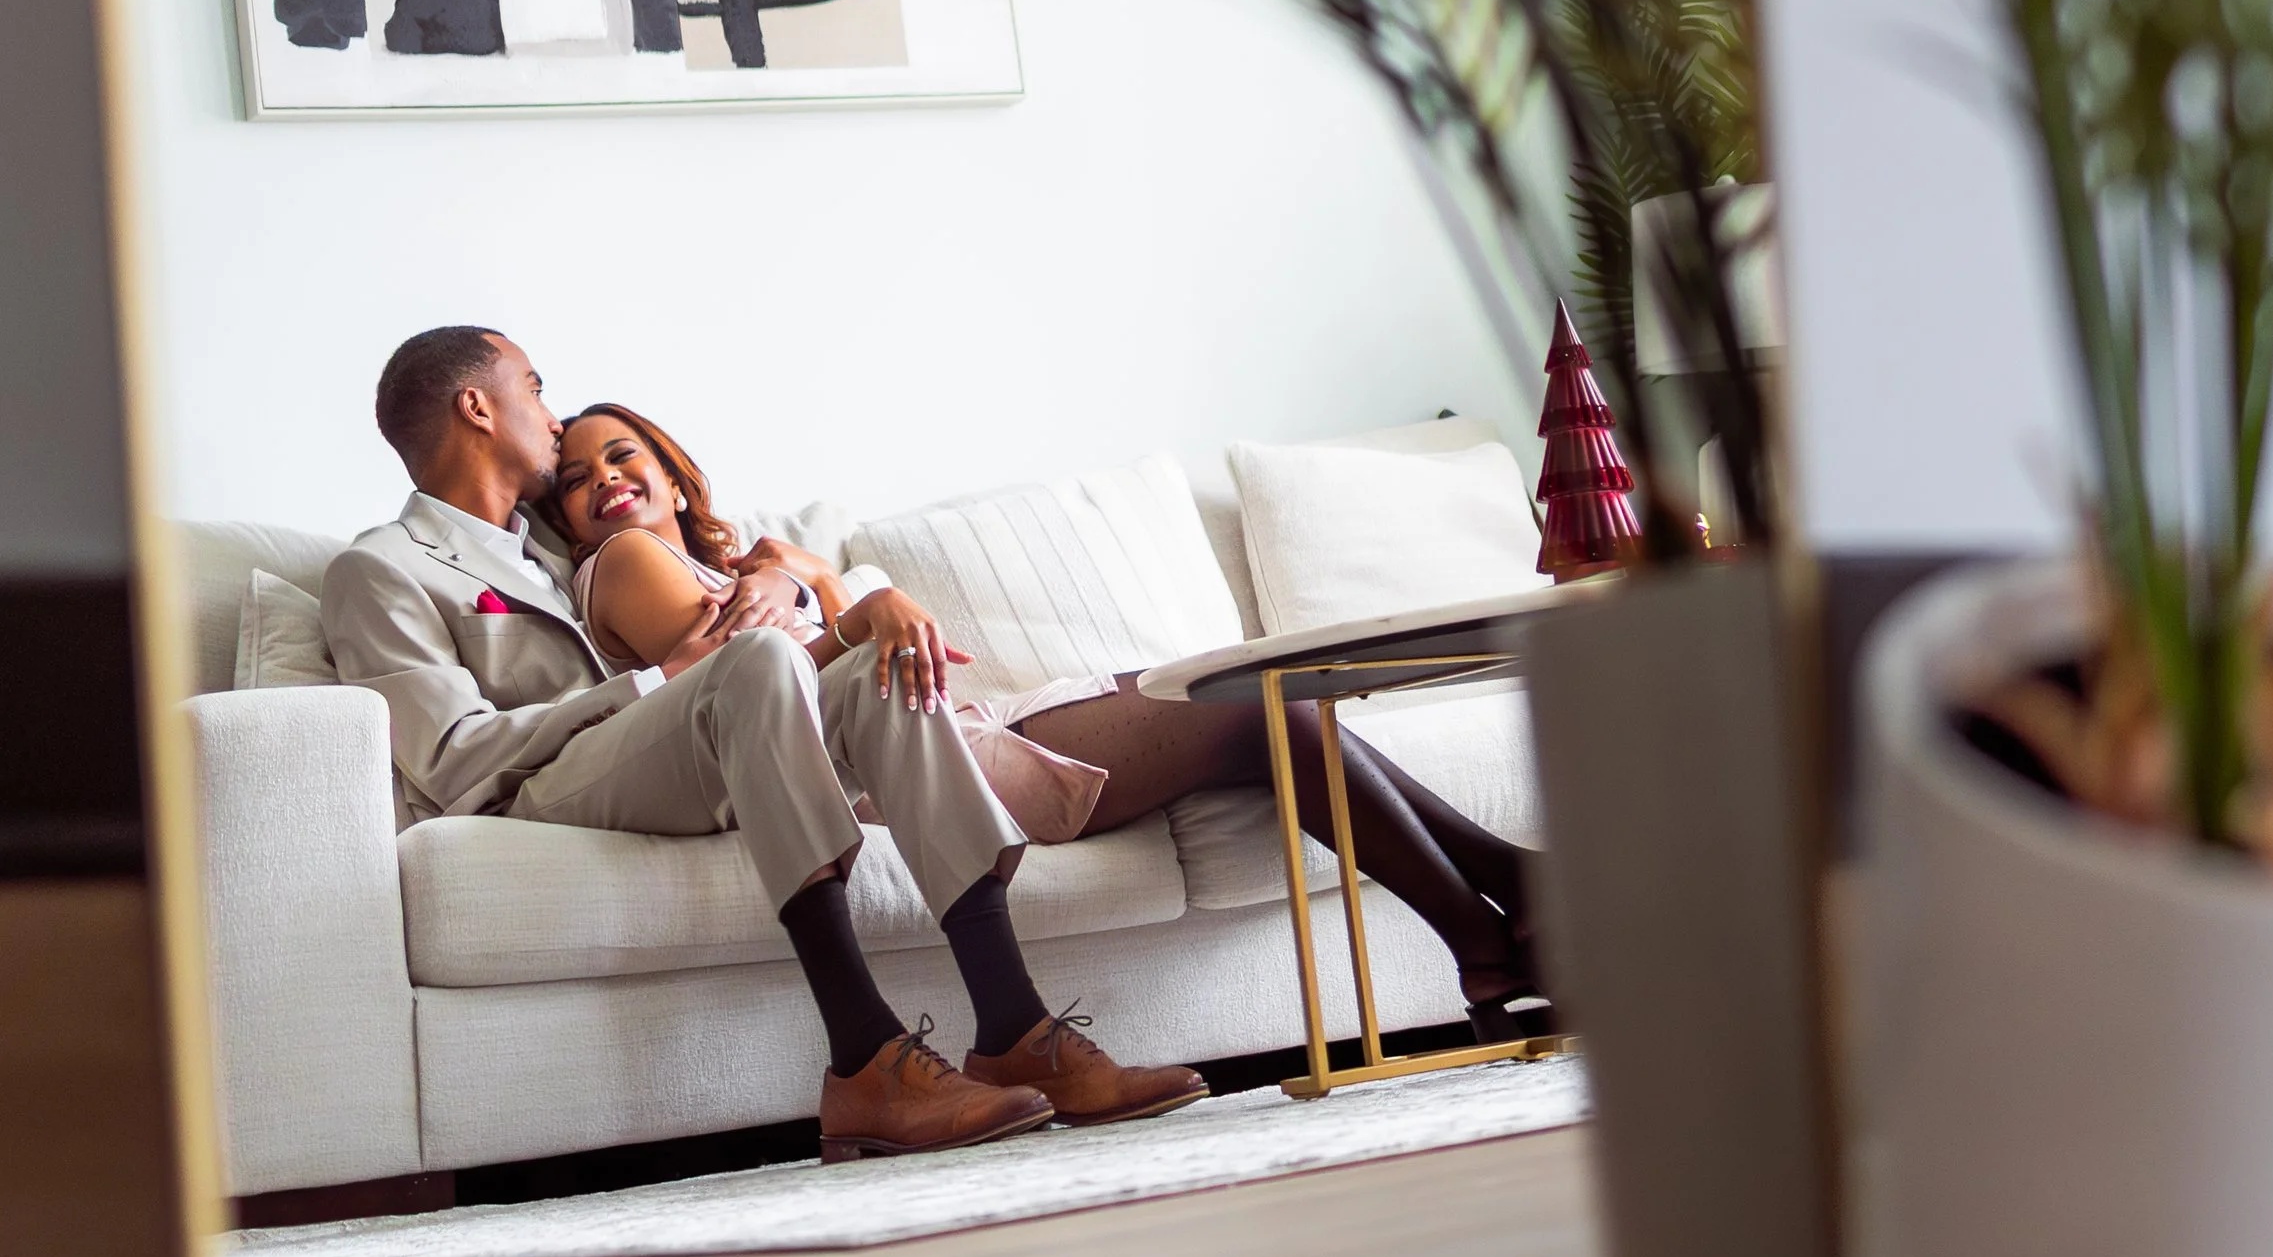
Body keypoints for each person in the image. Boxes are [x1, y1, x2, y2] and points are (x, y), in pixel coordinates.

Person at [321, 327, 1209, 1161]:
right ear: (478, 407)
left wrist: (791, 582)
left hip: (668, 750)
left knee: (870, 669)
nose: (553, 419)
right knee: (754, 662)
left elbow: (725, 578)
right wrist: (655, 681)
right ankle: (863, 1058)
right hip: (543, 792)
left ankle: (1014, 1026)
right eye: (535, 388)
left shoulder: (554, 545)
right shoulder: (380, 567)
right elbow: (456, 760)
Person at [552, 401, 1551, 1042]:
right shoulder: (629, 564)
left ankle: (1498, 914)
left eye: (621, 456)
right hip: (912, 762)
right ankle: (1494, 917)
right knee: (1255, 710)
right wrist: (845, 604)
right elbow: (751, 692)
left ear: (677, 474)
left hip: (966, 722)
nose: (603, 481)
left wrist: (800, 574)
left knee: (1252, 697)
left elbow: (854, 638)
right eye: (576, 480)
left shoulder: (751, 564)